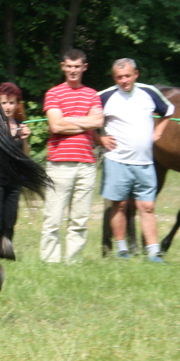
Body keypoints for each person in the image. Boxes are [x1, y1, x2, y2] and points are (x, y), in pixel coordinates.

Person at [98, 59, 175, 263]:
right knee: (120, 205)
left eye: (128, 76)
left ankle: (153, 253)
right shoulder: (105, 96)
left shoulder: (148, 93)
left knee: (147, 206)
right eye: (119, 77)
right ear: (114, 78)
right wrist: (99, 138)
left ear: (136, 74)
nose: (124, 80)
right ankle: (122, 251)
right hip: (116, 160)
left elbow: (168, 111)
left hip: (145, 162)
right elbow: (88, 119)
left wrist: (159, 129)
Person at [41, 49, 104, 263]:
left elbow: (98, 122)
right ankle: (51, 262)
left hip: (86, 164)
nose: (73, 70)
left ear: (84, 67)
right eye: (69, 66)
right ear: (63, 67)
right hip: (59, 164)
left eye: (77, 66)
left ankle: (73, 262)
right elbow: (55, 125)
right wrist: (83, 121)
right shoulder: (54, 93)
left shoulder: (92, 94)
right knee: (53, 218)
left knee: (80, 219)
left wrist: (67, 121)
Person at [0, 83, 31, 258]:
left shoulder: (20, 125)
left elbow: (25, 154)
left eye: (11, 103)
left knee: (10, 219)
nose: (7, 107)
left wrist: (24, 138)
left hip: (14, 178)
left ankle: (5, 249)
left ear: (17, 104)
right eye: (4, 103)